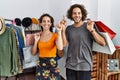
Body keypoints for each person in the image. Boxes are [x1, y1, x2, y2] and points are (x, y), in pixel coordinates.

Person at [61, 4, 106, 80]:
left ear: (82, 14)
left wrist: (92, 30)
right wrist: (63, 30)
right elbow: (64, 44)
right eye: (74, 13)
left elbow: (103, 43)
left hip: (85, 66)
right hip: (70, 66)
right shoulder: (68, 29)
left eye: (79, 13)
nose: (77, 15)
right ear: (71, 15)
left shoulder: (88, 26)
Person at [31, 13, 63, 80]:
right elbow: (33, 53)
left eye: (48, 21)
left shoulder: (55, 35)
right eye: (44, 21)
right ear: (41, 23)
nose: (46, 23)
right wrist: (36, 41)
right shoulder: (38, 35)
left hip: (52, 63)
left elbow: (60, 48)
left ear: (51, 24)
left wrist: (59, 32)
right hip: (41, 63)